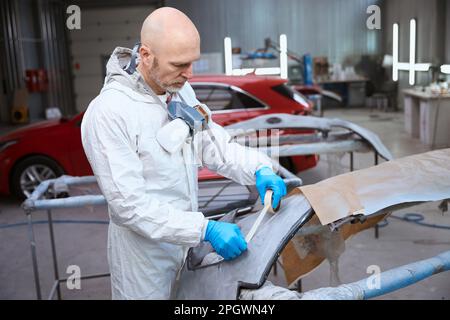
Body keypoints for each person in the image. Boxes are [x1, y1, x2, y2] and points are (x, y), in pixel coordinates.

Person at [81, 7, 286, 300]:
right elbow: (129, 205)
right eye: (180, 64)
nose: (189, 74)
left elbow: (216, 147)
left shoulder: (179, 91)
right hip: (144, 259)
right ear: (146, 56)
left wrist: (259, 169)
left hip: (187, 243)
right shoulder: (109, 113)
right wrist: (204, 230)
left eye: (193, 63)